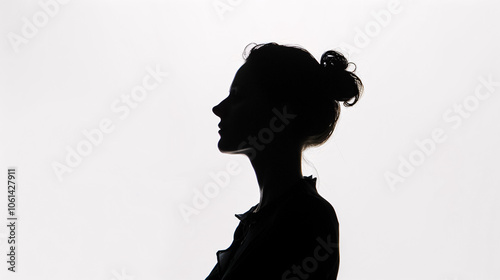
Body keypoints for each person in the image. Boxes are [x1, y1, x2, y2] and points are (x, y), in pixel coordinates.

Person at [206, 42, 363, 280]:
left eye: (237, 96)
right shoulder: (254, 224)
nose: (218, 108)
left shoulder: (308, 217)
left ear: (280, 110)